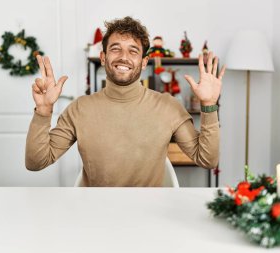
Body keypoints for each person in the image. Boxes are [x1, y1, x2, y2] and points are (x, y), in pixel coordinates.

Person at [25, 16, 226, 187]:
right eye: (115, 49)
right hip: (95, 215)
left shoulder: (168, 107)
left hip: (150, 216)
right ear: (103, 57)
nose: (124, 57)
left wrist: (208, 106)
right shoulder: (79, 108)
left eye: (133, 51)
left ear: (144, 61)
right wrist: (43, 111)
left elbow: (207, 159)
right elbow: (36, 162)